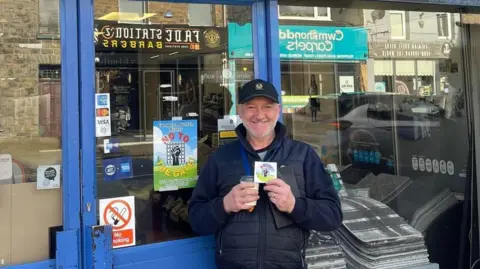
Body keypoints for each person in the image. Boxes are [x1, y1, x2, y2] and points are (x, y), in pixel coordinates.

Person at [188, 78, 343, 269]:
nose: (259, 115)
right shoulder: (220, 159)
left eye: (267, 107)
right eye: (251, 107)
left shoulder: (303, 155)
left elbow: (332, 217)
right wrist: (225, 205)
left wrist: (294, 205)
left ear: (278, 110)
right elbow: (197, 220)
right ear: (240, 111)